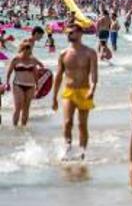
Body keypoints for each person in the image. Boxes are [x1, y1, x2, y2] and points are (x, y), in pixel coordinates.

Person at [52, 24, 98, 159]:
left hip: (84, 91)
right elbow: (59, 76)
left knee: (82, 124)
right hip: (69, 91)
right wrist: (54, 97)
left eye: (71, 32)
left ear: (80, 33)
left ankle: (82, 152)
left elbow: (94, 74)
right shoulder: (63, 54)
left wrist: (92, 89)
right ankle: (67, 150)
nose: (68, 35)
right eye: (67, 33)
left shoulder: (90, 52)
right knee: (67, 123)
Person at [5, 39, 44, 127]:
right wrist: (7, 83)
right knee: (18, 106)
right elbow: (9, 72)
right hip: (18, 84)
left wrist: (38, 82)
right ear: (23, 49)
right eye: (28, 50)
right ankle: (15, 127)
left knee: (26, 107)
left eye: (30, 50)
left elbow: (42, 67)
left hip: (31, 86)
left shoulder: (33, 60)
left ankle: (23, 127)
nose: (29, 52)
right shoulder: (16, 59)